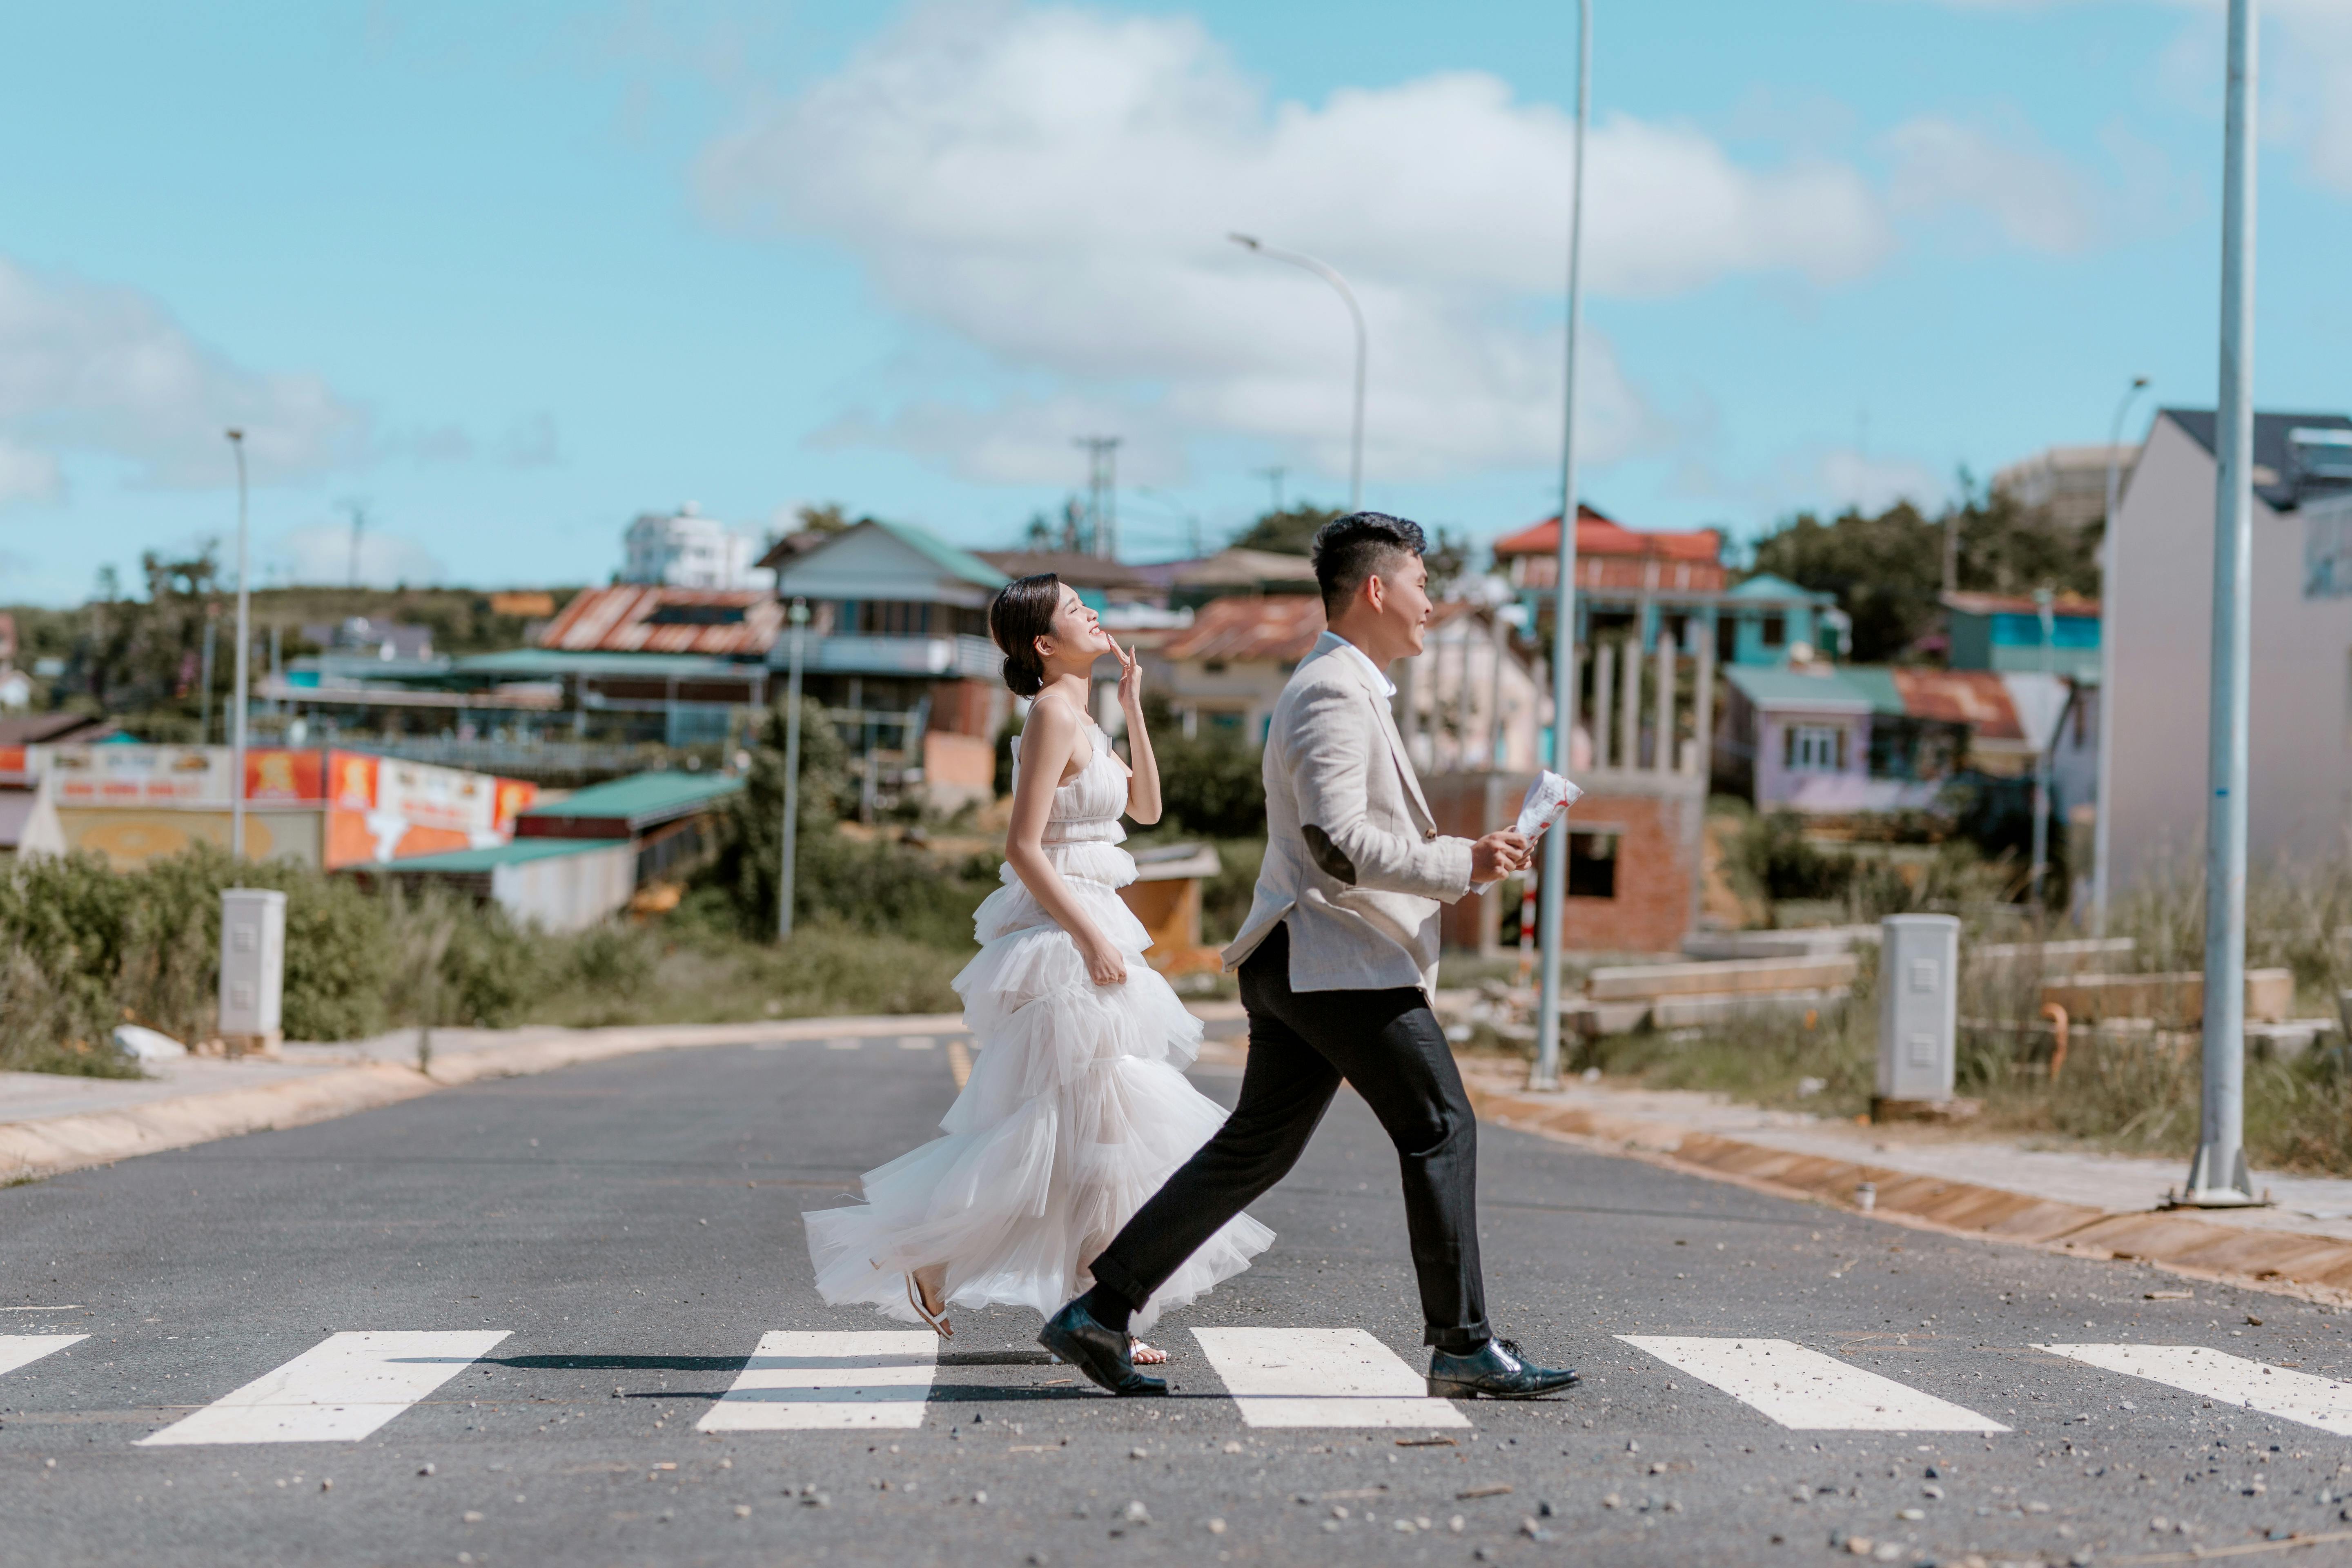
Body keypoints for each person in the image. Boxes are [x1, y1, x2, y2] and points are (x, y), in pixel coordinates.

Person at [1040, 512, 1581, 1400]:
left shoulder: (1346, 687)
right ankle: (1461, 1344)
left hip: (1303, 957)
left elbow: (1350, 834)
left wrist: (1464, 857)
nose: (1430, 604)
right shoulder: (1333, 690)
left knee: (1255, 1150)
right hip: (1335, 959)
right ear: (1377, 589)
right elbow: (1339, 841)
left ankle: (1098, 1313)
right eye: (1421, 583)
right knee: (1441, 1125)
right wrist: (1458, 864)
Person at [803, 574, 1272, 1362]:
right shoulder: (1052, 712)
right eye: (1076, 610)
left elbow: (1148, 811)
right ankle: (1093, 1311)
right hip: (1063, 932)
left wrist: (1134, 704)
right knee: (1086, 1125)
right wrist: (1089, 939)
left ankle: (980, 1271)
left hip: (1097, 922)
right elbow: (1022, 846)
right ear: (1045, 645)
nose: (1094, 614)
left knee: (1087, 1129)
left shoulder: (1086, 713)